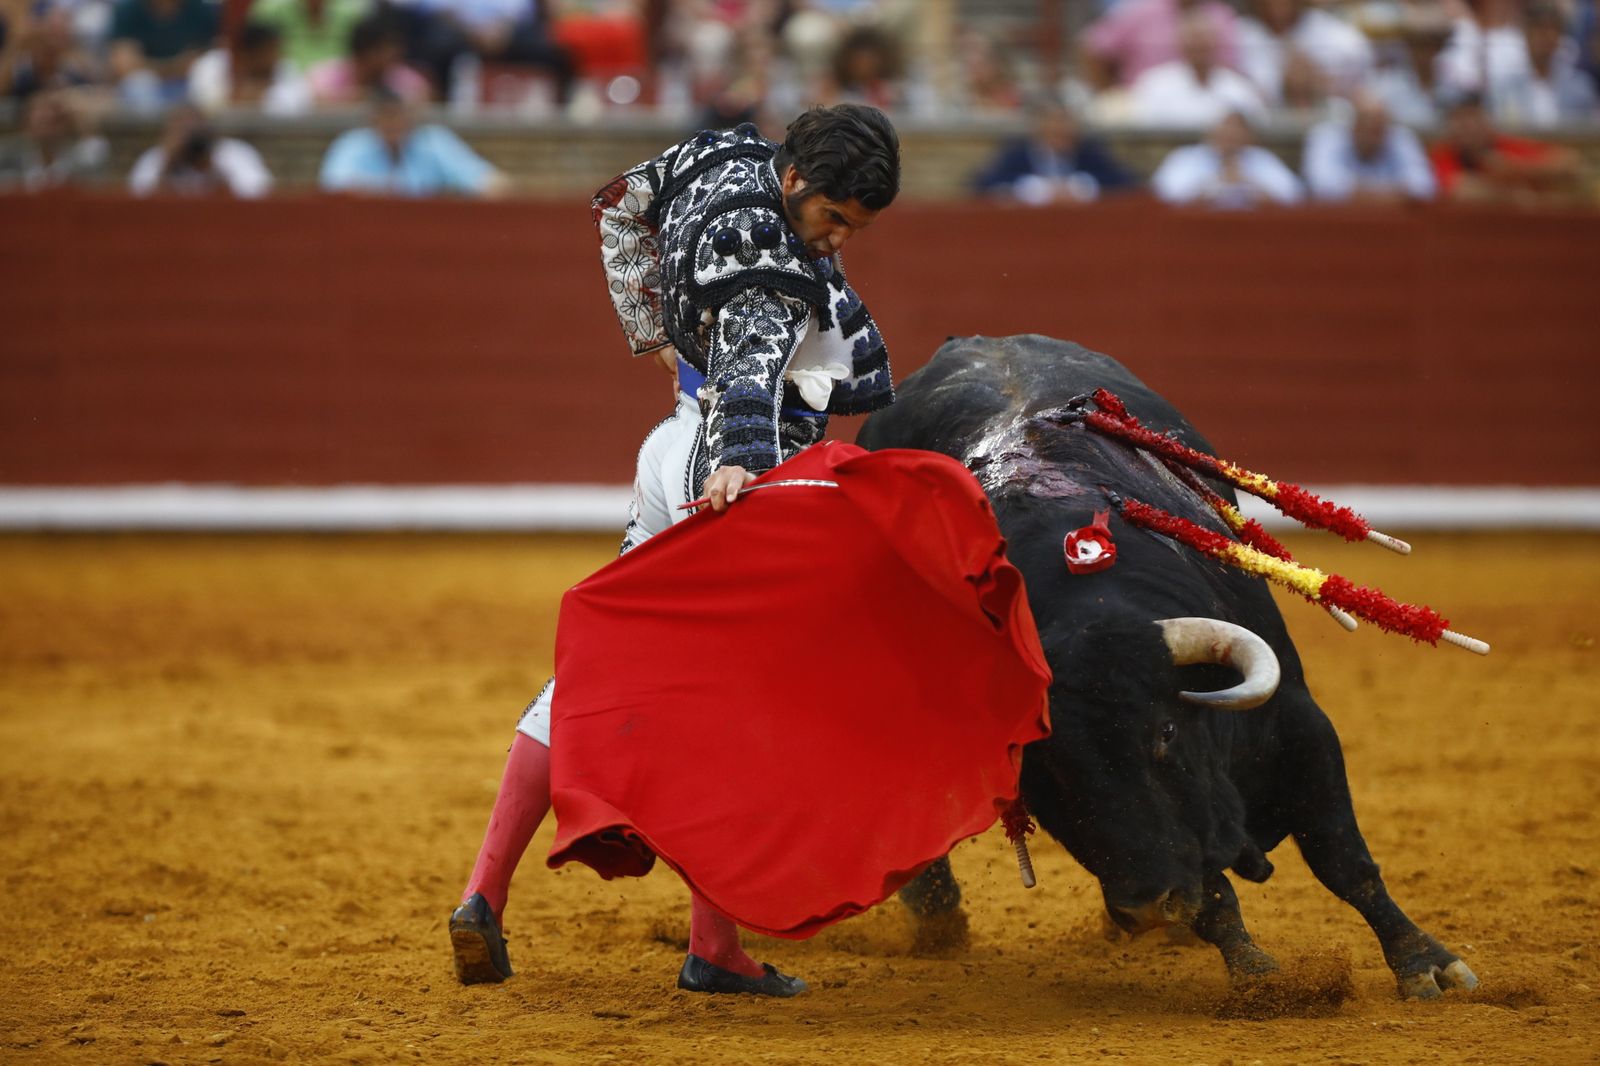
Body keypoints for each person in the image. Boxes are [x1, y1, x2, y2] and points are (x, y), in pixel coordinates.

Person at [449, 103, 900, 996]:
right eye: (834, 219)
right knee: (741, 709)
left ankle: (483, 896)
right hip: (734, 472)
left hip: (667, 450)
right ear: (798, 181)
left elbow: (618, 206)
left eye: (854, 228)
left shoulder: (722, 152)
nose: (838, 241)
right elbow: (751, 374)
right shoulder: (779, 274)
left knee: (590, 676)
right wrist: (740, 466)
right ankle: (715, 947)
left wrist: (650, 332)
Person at [318, 87, 508, 195]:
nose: (392, 123)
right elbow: (335, 189)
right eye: (386, 116)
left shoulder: (434, 142)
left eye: (397, 115)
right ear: (373, 119)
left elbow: (490, 181)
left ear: (410, 117)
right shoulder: (351, 145)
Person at [1428, 91, 1583, 205]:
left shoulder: (1504, 146)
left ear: (1488, 122)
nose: (1468, 127)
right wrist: (1517, 197)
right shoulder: (1443, 153)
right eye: (1460, 119)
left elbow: (1572, 162)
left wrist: (1517, 168)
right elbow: (1459, 189)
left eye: (1474, 117)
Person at [973, 97, 1135, 204]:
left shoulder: (1089, 151)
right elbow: (982, 185)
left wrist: (1080, 186)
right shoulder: (1017, 153)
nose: (1060, 130)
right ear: (1038, 128)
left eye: (1065, 123)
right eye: (1053, 124)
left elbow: (1126, 182)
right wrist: (1035, 188)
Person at [1130, 10, 1267, 127]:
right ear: (1181, 44)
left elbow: (1255, 128)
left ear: (1216, 44)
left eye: (1205, 42)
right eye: (1193, 42)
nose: (1199, 47)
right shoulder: (1155, 84)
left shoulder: (1239, 89)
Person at [1150, 109, 1303, 207]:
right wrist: (1217, 184)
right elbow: (1166, 195)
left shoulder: (1262, 159)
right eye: (1226, 128)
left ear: (1249, 136)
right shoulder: (1185, 158)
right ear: (1212, 131)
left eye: (1237, 129)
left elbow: (1293, 195)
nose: (1230, 135)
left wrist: (1247, 184)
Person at [1302, 92, 1434, 204]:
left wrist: (1358, 192)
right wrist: (1393, 194)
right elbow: (1321, 185)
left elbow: (1424, 186)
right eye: (1366, 124)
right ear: (1354, 125)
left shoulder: (1401, 138)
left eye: (1378, 128)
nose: (1372, 135)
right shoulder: (1326, 137)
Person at [127, 102, 274, 196]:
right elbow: (137, 199)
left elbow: (258, 194)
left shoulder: (234, 153)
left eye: (195, 128)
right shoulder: (157, 157)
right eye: (183, 129)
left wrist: (212, 167)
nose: (190, 136)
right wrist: (168, 163)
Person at [108, 0, 219, 108]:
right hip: (147, 90)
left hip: (188, 86)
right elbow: (123, 65)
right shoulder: (128, 10)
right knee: (139, 83)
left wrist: (143, 63)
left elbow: (212, 60)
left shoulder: (202, 11)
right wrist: (176, 67)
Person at [188, 20, 313, 113]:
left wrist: (261, 93)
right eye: (269, 52)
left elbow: (297, 106)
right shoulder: (209, 65)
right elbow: (207, 108)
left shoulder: (285, 67)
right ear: (248, 53)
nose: (275, 58)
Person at [0, 88, 108, 189]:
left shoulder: (78, 161)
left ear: (65, 125)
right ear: (26, 125)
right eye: (42, 121)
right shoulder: (8, 159)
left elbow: (97, 151)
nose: (48, 129)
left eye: (54, 121)